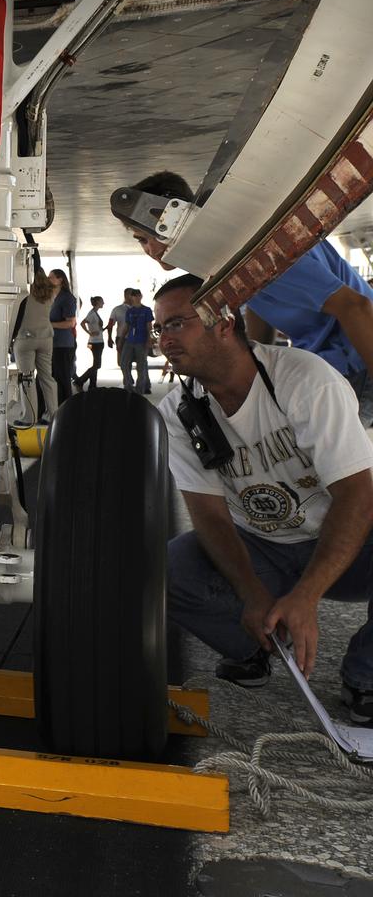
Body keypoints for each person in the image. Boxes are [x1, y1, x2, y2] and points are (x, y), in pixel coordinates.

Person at [155, 274, 373, 725]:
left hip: (352, 541)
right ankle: (256, 645)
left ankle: (366, 677)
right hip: (264, 547)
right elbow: (209, 516)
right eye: (160, 329)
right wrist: (252, 594)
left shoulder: (303, 380)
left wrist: (308, 596)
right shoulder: (178, 411)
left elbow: (357, 494)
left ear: (223, 322)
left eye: (177, 324)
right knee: (164, 571)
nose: (165, 339)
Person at [118, 170, 373, 425]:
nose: (148, 251)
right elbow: (259, 303)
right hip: (333, 358)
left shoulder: (258, 249)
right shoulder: (228, 252)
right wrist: (258, 371)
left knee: (313, 457)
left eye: (143, 239)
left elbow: (355, 306)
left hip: (357, 359)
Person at [10, 271, 57, 425]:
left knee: (27, 378)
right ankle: (52, 416)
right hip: (46, 338)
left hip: (25, 339)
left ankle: (29, 418)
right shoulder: (50, 293)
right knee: (47, 378)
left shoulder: (22, 294)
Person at [48, 268, 78, 404]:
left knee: (63, 377)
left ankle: (66, 406)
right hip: (52, 342)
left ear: (60, 279)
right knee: (52, 376)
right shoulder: (49, 297)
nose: (49, 280)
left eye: (51, 277)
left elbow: (70, 322)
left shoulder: (66, 298)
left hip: (64, 344)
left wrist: (50, 324)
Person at [121, 288, 153, 394]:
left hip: (141, 341)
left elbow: (149, 326)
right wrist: (121, 339)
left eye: (138, 295)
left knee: (141, 366)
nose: (136, 297)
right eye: (134, 295)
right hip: (130, 340)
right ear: (131, 297)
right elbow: (127, 326)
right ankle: (128, 386)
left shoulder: (146, 310)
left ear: (141, 296)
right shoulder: (129, 311)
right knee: (124, 363)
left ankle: (140, 390)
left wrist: (149, 339)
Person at [74, 295, 106, 390]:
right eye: (102, 301)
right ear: (97, 303)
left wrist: (104, 329)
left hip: (98, 341)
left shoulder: (95, 313)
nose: (103, 303)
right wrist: (89, 333)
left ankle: (92, 385)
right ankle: (80, 381)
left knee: (95, 364)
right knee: (97, 365)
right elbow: (82, 323)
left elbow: (97, 329)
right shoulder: (92, 314)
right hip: (95, 342)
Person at [106, 291, 132, 371]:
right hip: (121, 338)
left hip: (135, 338)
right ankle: (128, 377)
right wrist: (109, 338)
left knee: (130, 360)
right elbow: (110, 325)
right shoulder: (117, 309)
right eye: (131, 294)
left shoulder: (138, 309)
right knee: (121, 361)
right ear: (126, 295)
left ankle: (128, 379)